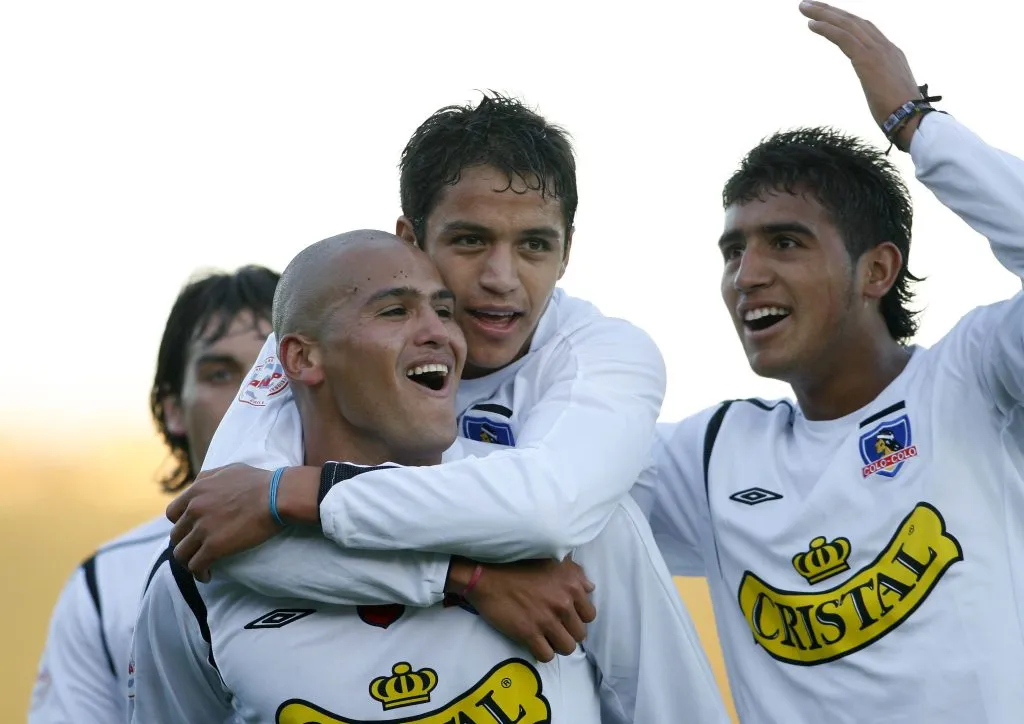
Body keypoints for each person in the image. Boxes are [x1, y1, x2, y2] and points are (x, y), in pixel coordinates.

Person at [129, 231, 728, 723]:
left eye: (443, 310)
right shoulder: (200, 571)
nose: (439, 331)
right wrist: (468, 579)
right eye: (394, 311)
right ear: (302, 358)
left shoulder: (588, 531)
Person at [165, 92, 670, 662]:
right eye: (470, 240)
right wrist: (463, 577)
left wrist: (297, 492)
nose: (501, 278)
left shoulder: (609, 353)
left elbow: (548, 513)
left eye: (534, 245)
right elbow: (229, 536)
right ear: (411, 239)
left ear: (567, 252)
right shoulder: (322, 336)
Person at [648, 2, 1024, 722]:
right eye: (734, 251)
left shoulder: (978, 380)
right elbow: (529, 486)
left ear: (876, 270)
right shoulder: (708, 456)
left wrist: (917, 126)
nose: (746, 274)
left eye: (785, 243)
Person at [28, 266, 279, 723]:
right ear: (173, 408)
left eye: (272, 368)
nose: (251, 393)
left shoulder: (392, 533)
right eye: (221, 373)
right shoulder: (105, 583)